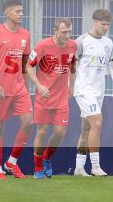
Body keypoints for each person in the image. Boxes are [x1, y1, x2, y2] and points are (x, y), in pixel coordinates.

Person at [73, 9, 113, 176]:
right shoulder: (81, 41)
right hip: (83, 90)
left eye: (108, 25)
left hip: (98, 91)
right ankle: (95, 166)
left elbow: (112, 66)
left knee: (86, 129)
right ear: (94, 22)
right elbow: (71, 65)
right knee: (97, 123)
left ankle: (79, 168)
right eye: (103, 24)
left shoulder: (108, 43)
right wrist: (70, 86)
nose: (106, 28)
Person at [0, 0, 31, 179]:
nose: (21, 14)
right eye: (17, 11)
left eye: (22, 11)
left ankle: (11, 162)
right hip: (1, 89)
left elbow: (25, 63)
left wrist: (26, 86)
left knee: (28, 122)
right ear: (7, 13)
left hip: (19, 88)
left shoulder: (25, 34)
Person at [26, 18, 77, 179]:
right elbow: (28, 66)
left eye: (69, 32)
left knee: (60, 132)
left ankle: (47, 157)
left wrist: (71, 86)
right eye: (64, 32)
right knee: (41, 131)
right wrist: (39, 85)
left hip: (61, 97)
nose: (67, 35)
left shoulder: (73, 45)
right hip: (43, 97)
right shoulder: (42, 45)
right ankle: (38, 167)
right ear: (55, 31)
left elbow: (72, 66)